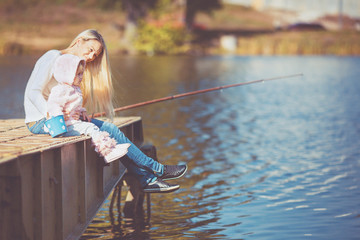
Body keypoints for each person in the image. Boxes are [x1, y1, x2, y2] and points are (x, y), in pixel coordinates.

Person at [24, 29, 187, 193]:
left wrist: (77, 111)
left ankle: (149, 180)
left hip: (62, 119)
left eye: (94, 56)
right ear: (79, 41)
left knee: (111, 129)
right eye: (90, 50)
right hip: (42, 121)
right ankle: (156, 171)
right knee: (108, 130)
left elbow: (61, 98)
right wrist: (52, 115)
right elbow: (33, 92)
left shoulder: (71, 66)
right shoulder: (53, 57)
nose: (90, 57)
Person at [47, 54, 131, 164]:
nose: (81, 77)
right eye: (78, 74)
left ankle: (110, 147)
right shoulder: (61, 90)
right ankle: (107, 152)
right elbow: (53, 105)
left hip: (72, 122)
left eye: (82, 74)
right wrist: (59, 116)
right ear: (67, 74)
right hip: (64, 126)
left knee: (92, 127)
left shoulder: (74, 89)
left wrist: (82, 111)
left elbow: (74, 105)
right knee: (91, 128)